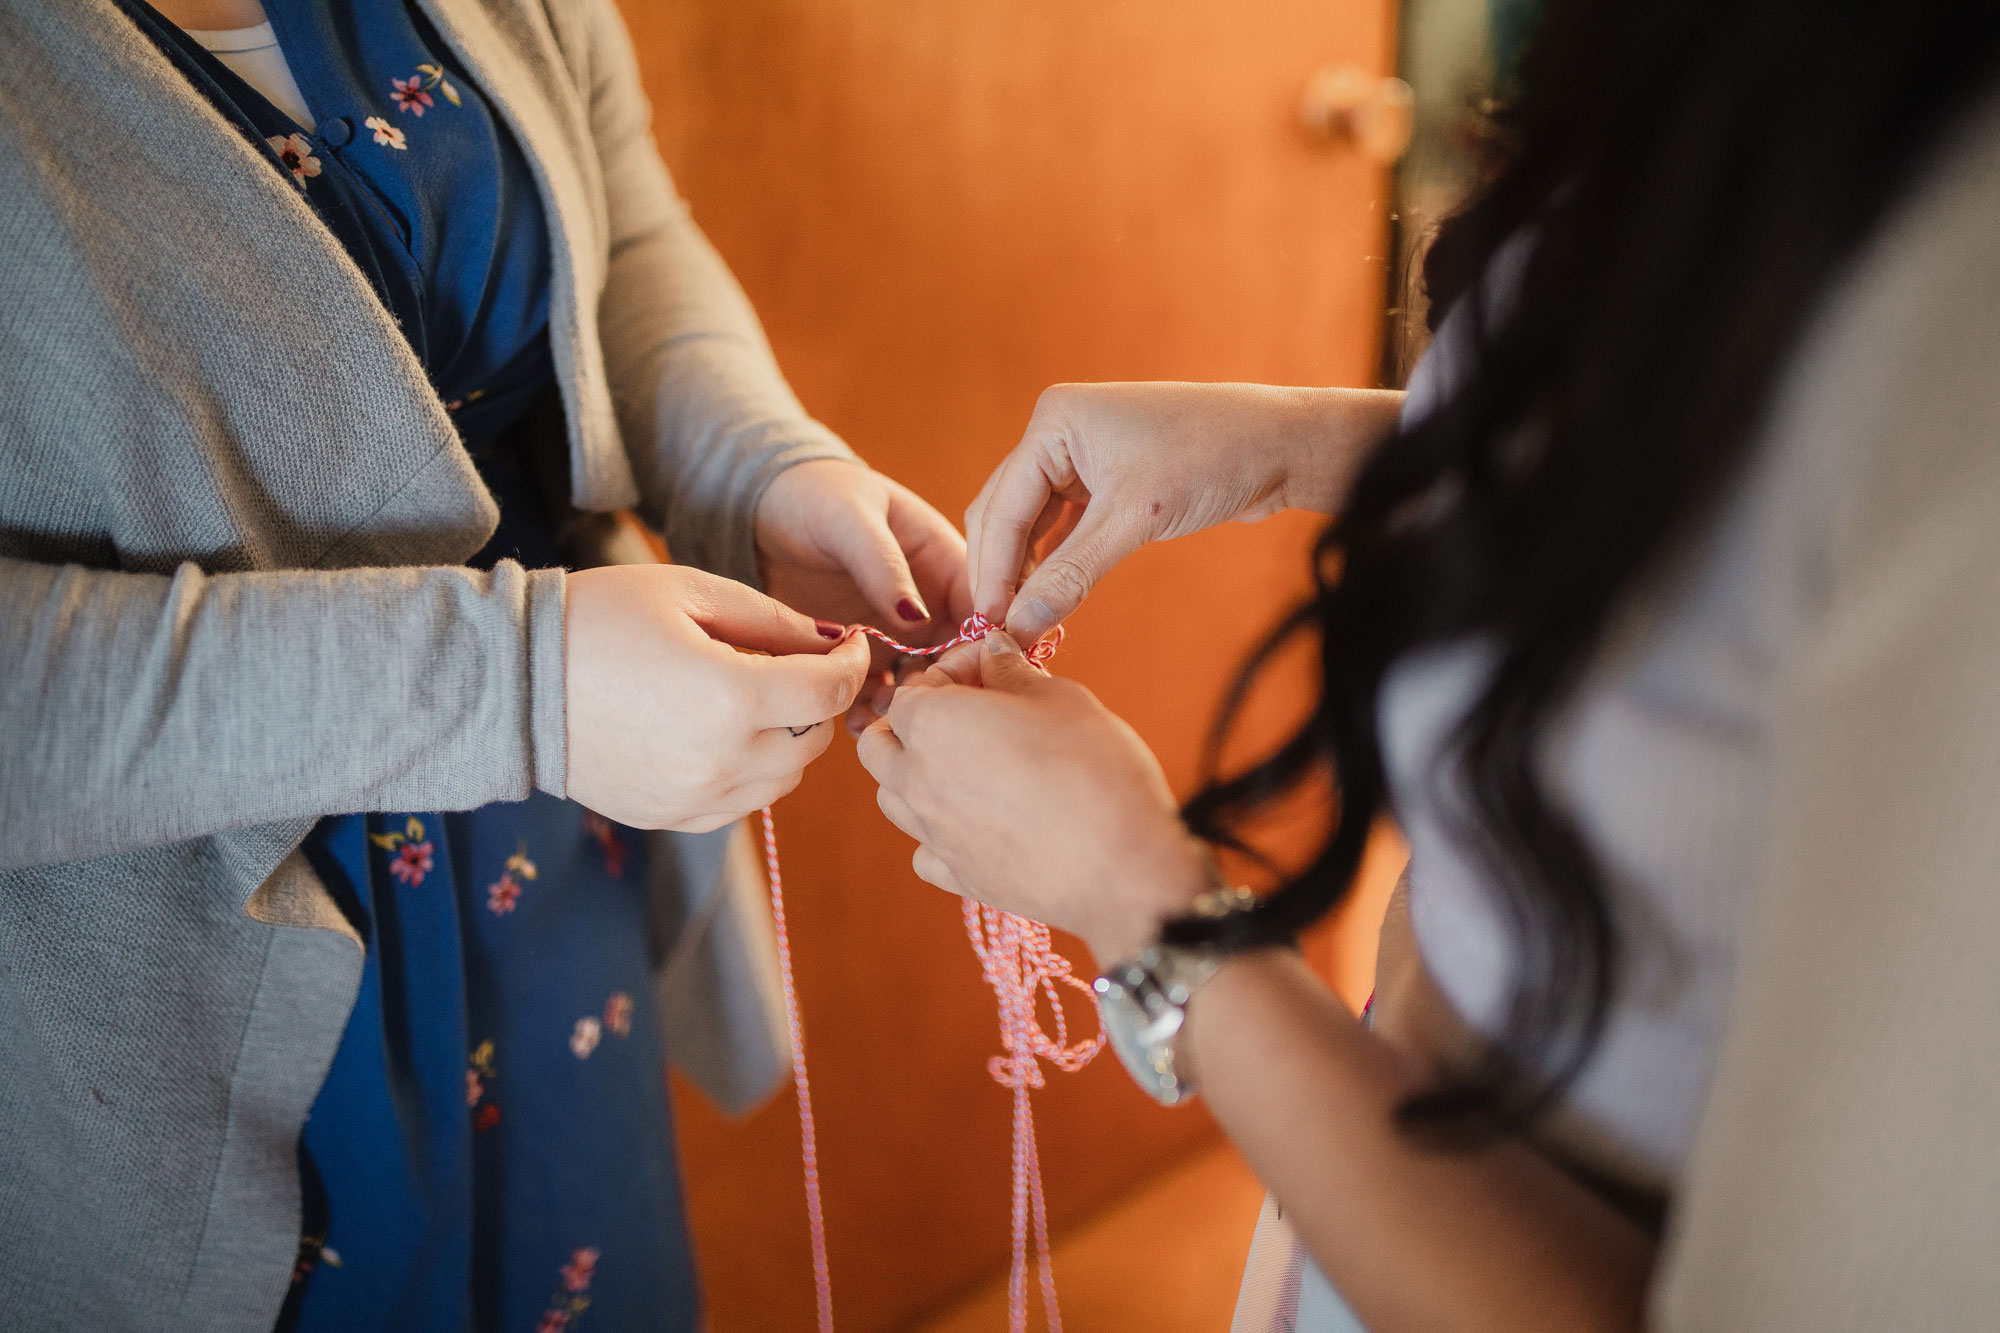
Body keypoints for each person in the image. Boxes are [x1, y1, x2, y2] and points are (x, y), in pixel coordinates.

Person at [862, 2, 2000, 1328]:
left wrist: (1141, 903)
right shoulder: (1749, 69)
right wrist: (1329, 445)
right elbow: (1743, 509)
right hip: (1357, 1201)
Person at [0, 0, 966, 1329]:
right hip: (170, 989)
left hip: (548, 862)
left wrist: (761, 467)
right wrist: (524, 684)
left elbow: (623, 230)